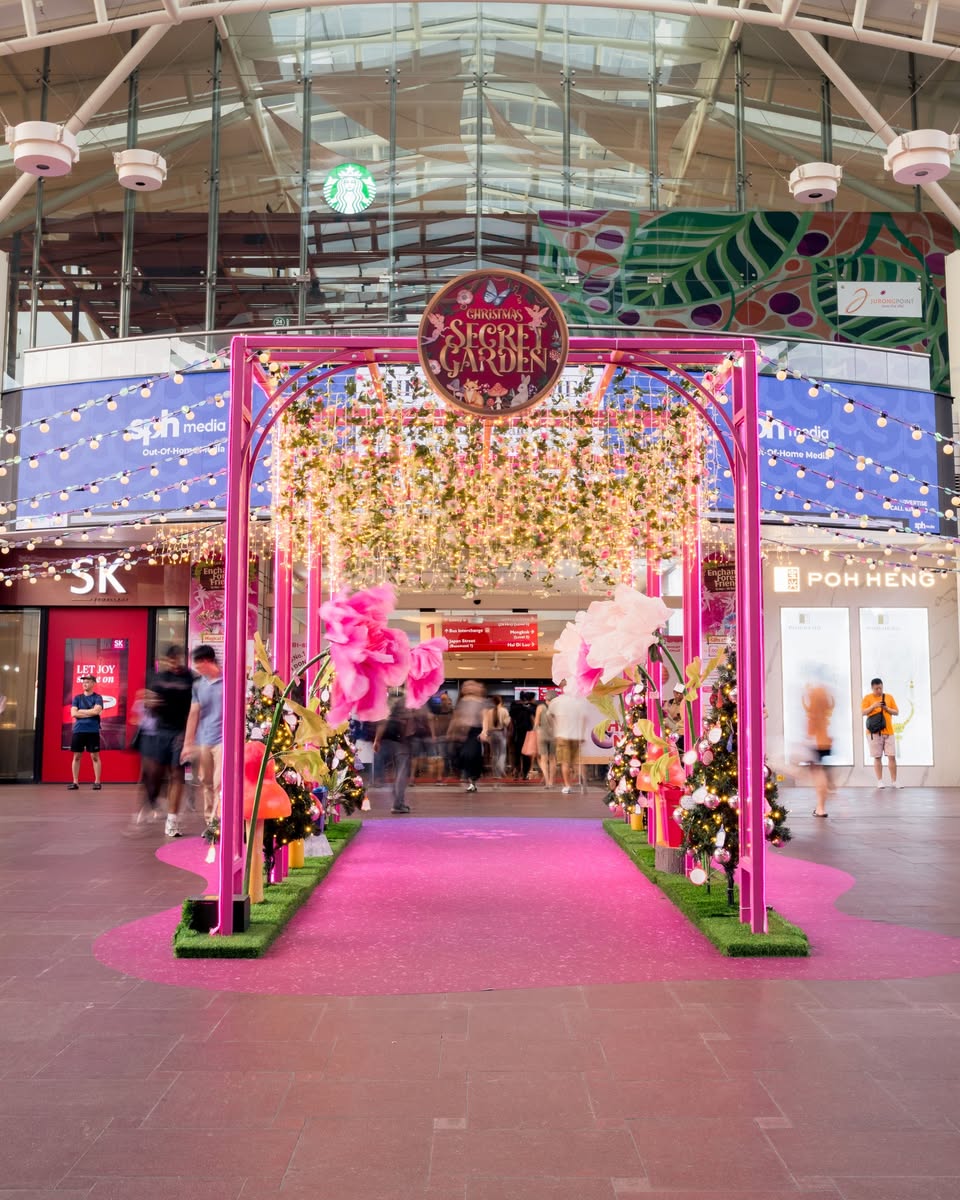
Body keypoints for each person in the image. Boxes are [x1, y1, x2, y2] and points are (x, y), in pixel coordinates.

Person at [141, 645, 194, 838]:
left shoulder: (190, 678)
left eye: (177, 658)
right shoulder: (160, 678)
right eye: (170, 659)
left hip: (180, 733)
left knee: (177, 774)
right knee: (154, 774)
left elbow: (195, 706)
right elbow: (149, 704)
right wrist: (150, 702)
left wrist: (189, 734)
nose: (174, 662)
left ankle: (172, 822)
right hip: (160, 732)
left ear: (181, 658)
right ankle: (153, 799)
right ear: (166, 660)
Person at [182, 644, 224, 830]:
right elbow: (193, 714)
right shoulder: (198, 685)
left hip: (223, 741)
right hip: (203, 740)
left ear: (207, 661)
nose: (197, 669)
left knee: (218, 783)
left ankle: (219, 821)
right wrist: (187, 744)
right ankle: (210, 822)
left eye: (198, 665)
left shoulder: (229, 680)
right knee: (206, 783)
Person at [548, 685, 594, 794]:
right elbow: (584, 719)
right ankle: (583, 783)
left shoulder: (557, 701)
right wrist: (582, 735)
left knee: (565, 762)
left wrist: (556, 726)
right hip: (576, 736)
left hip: (562, 736)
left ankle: (568, 786)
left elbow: (549, 715)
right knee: (577, 762)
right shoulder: (579, 702)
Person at [373, 693, 414, 813]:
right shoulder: (406, 698)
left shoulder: (386, 699)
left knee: (392, 770)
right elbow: (409, 721)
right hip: (399, 738)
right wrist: (407, 738)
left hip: (386, 737)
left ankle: (395, 798)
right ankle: (398, 804)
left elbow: (382, 722)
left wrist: (377, 740)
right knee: (401, 770)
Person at [803, 679, 835, 817]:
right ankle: (820, 806)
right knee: (820, 771)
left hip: (816, 741)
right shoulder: (824, 695)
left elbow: (812, 722)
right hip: (825, 740)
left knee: (818, 774)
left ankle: (821, 808)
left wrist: (808, 738)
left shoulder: (814, 699)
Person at [861, 677, 899, 788]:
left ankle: (894, 781)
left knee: (891, 756)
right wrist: (873, 706)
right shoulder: (867, 698)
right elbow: (863, 712)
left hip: (889, 731)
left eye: (880, 688)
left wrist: (886, 708)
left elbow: (896, 712)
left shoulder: (889, 697)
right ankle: (880, 781)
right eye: (876, 688)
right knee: (877, 757)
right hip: (873, 732)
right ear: (872, 688)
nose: (879, 690)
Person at [449, 680, 486, 792]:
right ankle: (471, 780)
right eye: (466, 686)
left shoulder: (481, 702)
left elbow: (485, 717)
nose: (468, 688)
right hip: (462, 732)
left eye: (470, 685)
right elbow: (456, 717)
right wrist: (451, 731)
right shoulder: (462, 701)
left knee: (471, 755)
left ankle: (472, 780)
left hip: (475, 732)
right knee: (462, 756)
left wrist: (484, 731)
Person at [69, 673, 104, 790]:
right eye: (84, 681)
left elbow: (96, 711)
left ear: (93, 683)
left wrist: (81, 711)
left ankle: (97, 782)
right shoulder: (77, 698)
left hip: (92, 731)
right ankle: (75, 782)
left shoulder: (98, 697)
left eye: (88, 681)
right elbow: (74, 713)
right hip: (78, 731)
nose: (85, 683)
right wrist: (90, 711)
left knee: (95, 756)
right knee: (77, 756)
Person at [482, 694, 511, 779]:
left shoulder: (489, 712)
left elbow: (486, 724)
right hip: (500, 733)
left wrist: (486, 734)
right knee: (502, 753)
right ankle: (500, 766)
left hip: (491, 734)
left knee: (494, 754)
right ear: (501, 701)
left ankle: (496, 774)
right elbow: (506, 723)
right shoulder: (504, 710)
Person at [508, 691, 536, 779]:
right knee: (526, 754)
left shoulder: (515, 707)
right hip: (527, 733)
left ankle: (516, 770)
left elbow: (511, 719)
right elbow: (533, 719)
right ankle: (525, 773)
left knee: (517, 753)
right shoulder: (531, 708)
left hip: (516, 733)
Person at [534, 690, 557, 787]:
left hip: (542, 735)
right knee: (552, 759)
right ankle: (551, 781)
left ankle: (547, 781)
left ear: (546, 698)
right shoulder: (557, 709)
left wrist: (536, 732)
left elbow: (536, 723)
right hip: (553, 735)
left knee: (543, 758)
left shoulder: (540, 707)